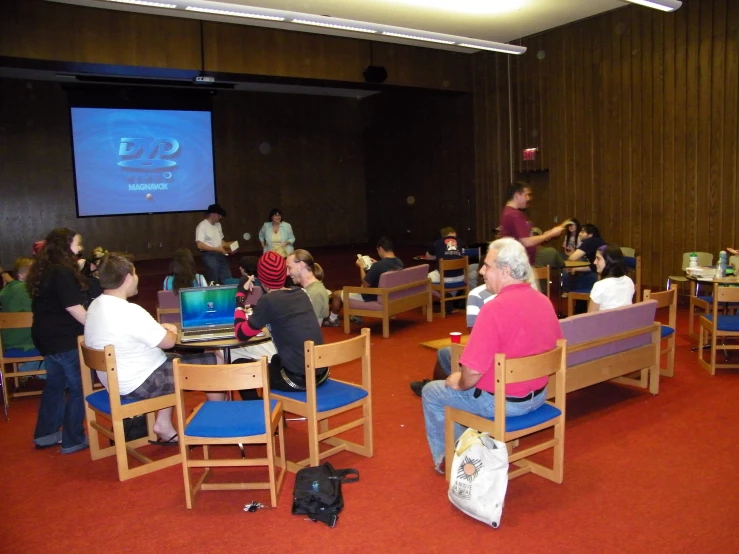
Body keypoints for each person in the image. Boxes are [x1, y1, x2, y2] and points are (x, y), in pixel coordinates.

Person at [421, 238, 563, 473]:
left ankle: (454, 460)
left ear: (505, 271)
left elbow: (472, 373)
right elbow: (552, 347)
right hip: (538, 396)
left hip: (503, 403)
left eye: (487, 266)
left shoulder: (493, 309)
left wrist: (458, 381)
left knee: (432, 392)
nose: (482, 271)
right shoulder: (544, 301)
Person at [85, 253, 224, 444]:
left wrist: (161, 332)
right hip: (141, 383)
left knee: (170, 359)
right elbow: (168, 342)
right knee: (216, 360)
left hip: (117, 379)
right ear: (127, 278)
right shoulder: (129, 310)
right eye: (135, 274)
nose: (137, 278)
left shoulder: (95, 305)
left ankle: (163, 423)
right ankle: (218, 423)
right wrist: (172, 331)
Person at [27, 228, 89, 454]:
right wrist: (95, 326)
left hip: (46, 337)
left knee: (54, 386)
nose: (80, 248)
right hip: (64, 339)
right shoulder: (62, 272)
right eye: (78, 244)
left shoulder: (43, 269)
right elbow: (73, 307)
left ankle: (46, 434)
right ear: (66, 245)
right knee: (79, 388)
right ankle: (73, 438)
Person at [232, 251, 326, 399]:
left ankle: (261, 411)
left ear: (261, 279)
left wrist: (240, 298)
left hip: (296, 379)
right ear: (285, 274)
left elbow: (240, 334)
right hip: (320, 373)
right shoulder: (301, 293)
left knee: (237, 361)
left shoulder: (268, 301)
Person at [325, 237, 403, 327]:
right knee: (360, 287)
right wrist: (377, 264)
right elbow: (386, 269)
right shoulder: (399, 262)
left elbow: (365, 284)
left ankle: (332, 319)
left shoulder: (378, 266)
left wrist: (361, 267)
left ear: (380, 248)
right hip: (390, 295)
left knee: (337, 294)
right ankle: (357, 315)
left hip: (373, 297)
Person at [499, 182, 564, 265]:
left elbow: (522, 238)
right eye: (526, 195)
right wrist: (550, 234)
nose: (529, 198)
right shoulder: (514, 214)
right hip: (520, 262)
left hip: (520, 261)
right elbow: (526, 242)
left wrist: (544, 236)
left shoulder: (509, 212)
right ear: (517, 195)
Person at [286, 249, 329, 324]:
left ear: (301, 265)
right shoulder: (312, 290)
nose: (287, 273)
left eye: (289, 268)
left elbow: (305, 327)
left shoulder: (314, 293)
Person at [195, 203, 234, 285]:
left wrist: (229, 248)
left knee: (227, 277)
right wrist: (217, 249)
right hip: (209, 256)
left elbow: (221, 240)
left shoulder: (218, 225)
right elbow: (200, 245)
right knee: (213, 279)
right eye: (219, 215)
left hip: (220, 253)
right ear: (213, 214)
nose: (221, 218)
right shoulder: (202, 226)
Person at [589, 244, 635, 312]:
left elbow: (590, 317)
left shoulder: (599, 286)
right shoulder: (629, 281)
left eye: (598, 258)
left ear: (609, 261)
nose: (594, 262)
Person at [565, 223, 606, 292]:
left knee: (576, 280)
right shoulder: (599, 240)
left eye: (583, 232)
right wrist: (577, 268)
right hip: (605, 273)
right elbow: (593, 266)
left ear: (590, 235)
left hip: (599, 275)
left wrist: (576, 268)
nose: (579, 234)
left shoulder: (590, 241)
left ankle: (572, 294)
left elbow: (572, 258)